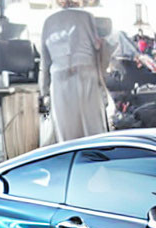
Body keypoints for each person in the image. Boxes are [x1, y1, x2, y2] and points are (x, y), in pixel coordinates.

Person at [40, 0, 107, 142]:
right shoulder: (88, 17)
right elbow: (100, 47)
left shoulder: (48, 22)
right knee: (93, 128)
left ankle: (72, 160)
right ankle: (97, 159)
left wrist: (43, 91)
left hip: (60, 78)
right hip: (86, 73)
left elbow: (44, 62)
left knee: (66, 132)